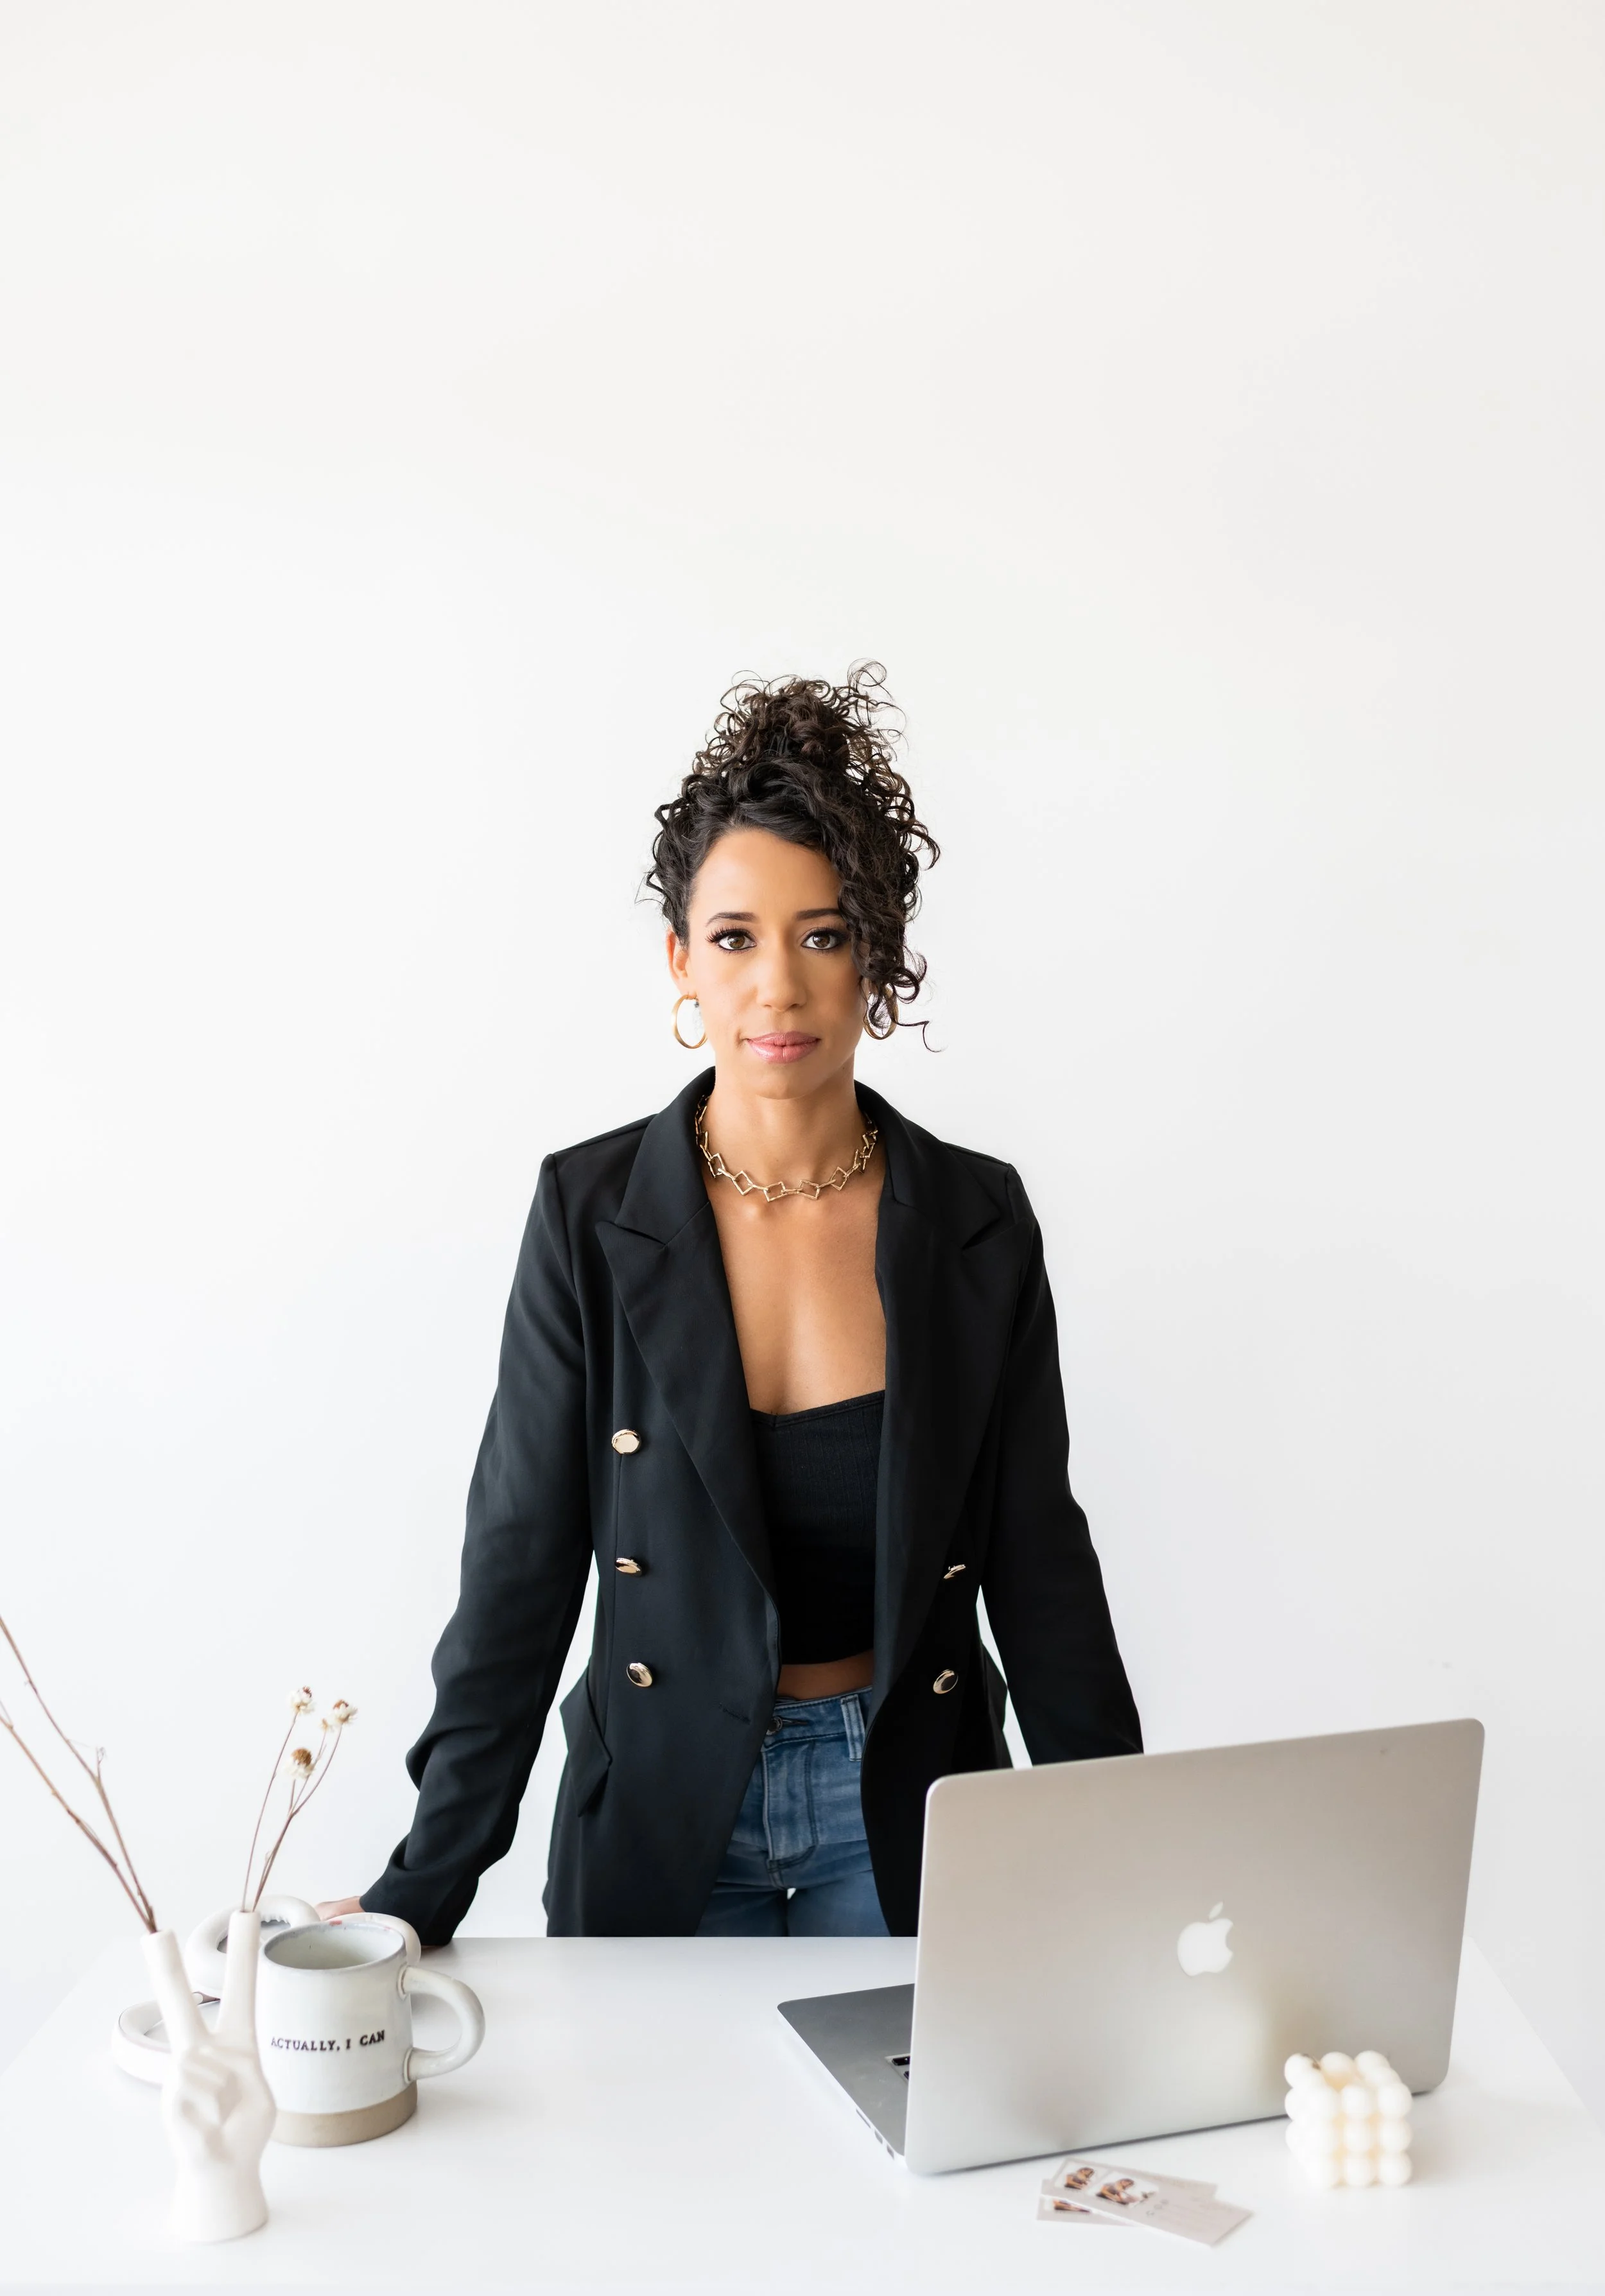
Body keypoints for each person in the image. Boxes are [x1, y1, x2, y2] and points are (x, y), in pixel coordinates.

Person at [319, 664, 1140, 1942]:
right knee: (652, 2144)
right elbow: (520, 1568)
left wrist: (1124, 1852)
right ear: (679, 962)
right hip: (661, 1802)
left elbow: (1038, 1559)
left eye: (823, 934)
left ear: (877, 958)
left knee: (911, 2138)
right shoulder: (589, 1216)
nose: (779, 987)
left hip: (912, 1805)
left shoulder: (975, 1223)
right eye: (735, 938)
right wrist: (424, 1884)